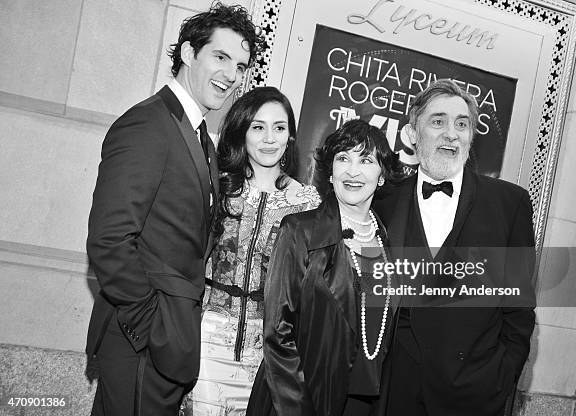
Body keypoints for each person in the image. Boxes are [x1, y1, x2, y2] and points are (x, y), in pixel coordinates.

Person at [85, 4, 262, 415]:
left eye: (240, 65)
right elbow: (109, 239)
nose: (231, 76)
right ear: (187, 53)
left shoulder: (199, 135)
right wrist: (151, 326)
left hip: (166, 344)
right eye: (220, 57)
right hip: (142, 343)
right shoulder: (149, 124)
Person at [373, 79, 536, 416]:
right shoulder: (384, 199)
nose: (451, 133)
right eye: (438, 121)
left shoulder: (510, 204)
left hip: (473, 393)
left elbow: (518, 309)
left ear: (471, 136)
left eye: (462, 124)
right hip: (391, 390)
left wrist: (500, 378)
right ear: (412, 134)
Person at [247, 119, 406, 416]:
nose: (353, 171)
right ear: (330, 173)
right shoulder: (300, 231)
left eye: (366, 160)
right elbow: (277, 332)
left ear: (382, 175)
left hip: (364, 405)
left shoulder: (386, 244)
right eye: (343, 158)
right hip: (303, 399)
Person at [187, 86, 320, 415]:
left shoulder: (307, 203)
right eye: (258, 127)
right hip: (208, 337)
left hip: (271, 352)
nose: (269, 138)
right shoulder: (216, 188)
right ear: (242, 132)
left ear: (290, 136)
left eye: (279, 128)